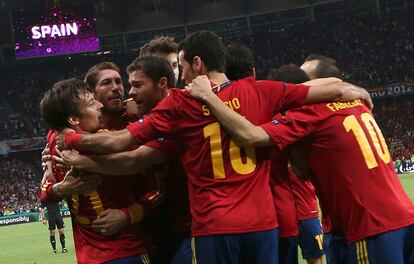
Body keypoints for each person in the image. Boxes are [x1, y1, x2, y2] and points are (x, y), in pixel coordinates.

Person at [60, 31, 372, 264]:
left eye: (182, 68)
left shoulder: (181, 104)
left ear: (197, 64)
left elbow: (126, 148)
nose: (181, 78)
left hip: (213, 226)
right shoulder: (259, 91)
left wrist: (70, 140)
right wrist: (352, 89)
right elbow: (323, 87)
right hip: (262, 224)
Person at [184, 75, 414, 264]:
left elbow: (250, 136)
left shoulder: (309, 115)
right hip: (404, 216)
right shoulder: (355, 105)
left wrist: (208, 97)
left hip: (372, 226)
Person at [39, 77, 158, 264]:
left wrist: (59, 189)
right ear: (73, 119)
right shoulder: (108, 143)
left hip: (88, 255)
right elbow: (157, 186)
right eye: (91, 101)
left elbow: (44, 193)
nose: (99, 106)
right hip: (125, 250)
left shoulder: (54, 141)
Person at [268, 64, 325, 264]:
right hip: (284, 210)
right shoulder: (274, 122)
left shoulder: (306, 119)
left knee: (315, 258)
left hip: (304, 206)